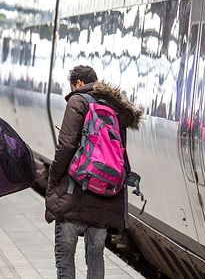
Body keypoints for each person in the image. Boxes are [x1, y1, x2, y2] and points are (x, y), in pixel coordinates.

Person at [45, 65, 142, 279]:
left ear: (78, 83)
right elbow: (120, 156)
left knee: (65, 254)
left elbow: (66, 145)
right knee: (96, 255)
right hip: (104, 196)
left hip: (74, 192)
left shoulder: (77, 101)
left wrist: (53, 180)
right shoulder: (116, 108)